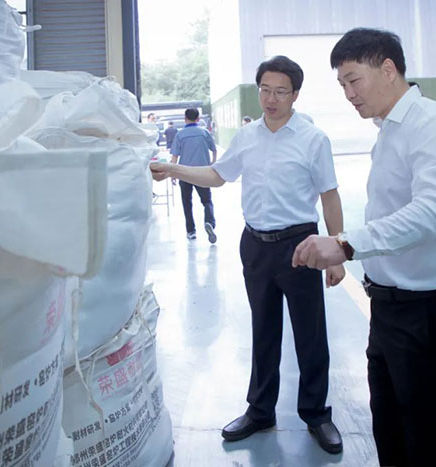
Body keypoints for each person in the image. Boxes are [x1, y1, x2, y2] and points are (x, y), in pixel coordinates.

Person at [292, 28, 436, 465]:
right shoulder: (390, 129)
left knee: (427, 445)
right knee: (392, 432)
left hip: (429, 313)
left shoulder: (432, 125)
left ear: (388, 69)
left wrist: (345, 245)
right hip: (392, 309)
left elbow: (431, 214)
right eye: (342, 85)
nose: (348, 94)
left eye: (354, 80)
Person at [152, 55, 346, 454]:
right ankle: (260, 411)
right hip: (255, 244)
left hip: (300, 244)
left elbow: (329, 195)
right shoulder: (247, 137)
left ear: (295, 95)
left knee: (310, 333)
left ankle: (316, 414)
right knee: (263, 329)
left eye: (280, 92)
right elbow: (218, 175)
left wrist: (337, 251)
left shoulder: (313, 139)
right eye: (264, 90)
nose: (271, 99)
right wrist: (174, 170)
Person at [169, 107, 218, 242]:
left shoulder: (180, 135)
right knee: (207, 201)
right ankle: (209, 222)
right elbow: (214, 149)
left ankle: (191, 231)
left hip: (184, 173)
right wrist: (212, 163)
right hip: (202, 172)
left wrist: (173, 173)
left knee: (187, 202)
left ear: (185, 119)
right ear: (198, 119)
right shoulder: (204, 133)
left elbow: (174, 156)